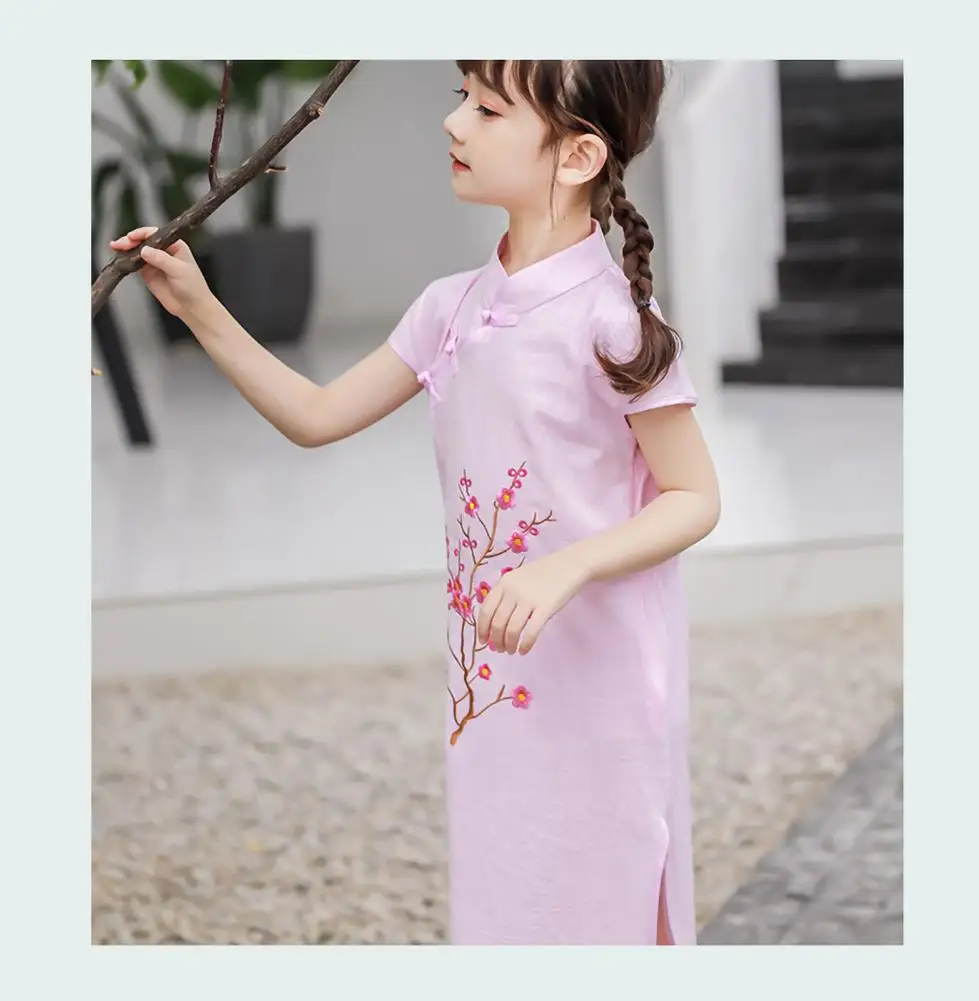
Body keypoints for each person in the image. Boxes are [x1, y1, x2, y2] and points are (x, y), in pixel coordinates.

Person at [110, 60, 721, 946]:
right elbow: (316, 415)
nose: (454, 124)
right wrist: (200, 308)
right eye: (459, 99)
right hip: (491, 679)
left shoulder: (615, 321)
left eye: (488, 109)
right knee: (506, 886)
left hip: (603, 681)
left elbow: (694, 496)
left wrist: (566, 566)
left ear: (578, 154)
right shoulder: (450, 308)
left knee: (607, 891)